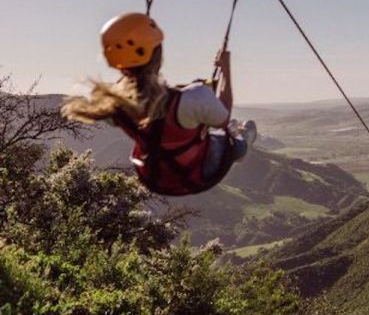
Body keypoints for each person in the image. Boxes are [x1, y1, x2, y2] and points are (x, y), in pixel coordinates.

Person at [62, 12, 257, 196]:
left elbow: (146, 100)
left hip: (153, 176)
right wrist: (225, 69)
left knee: (202, 128)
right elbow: (223, 117)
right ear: (158, 53)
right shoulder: (193, 98)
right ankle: (245, 134)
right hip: (196, 172)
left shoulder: (113, 105)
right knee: (235, 144)